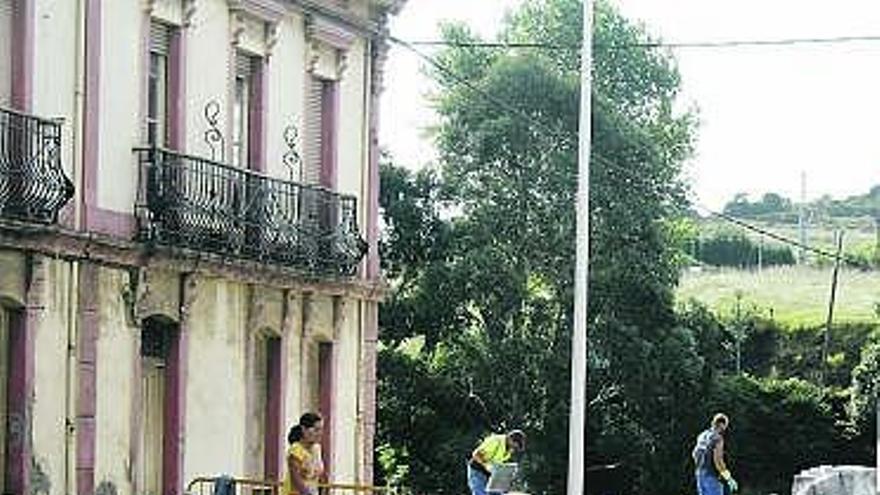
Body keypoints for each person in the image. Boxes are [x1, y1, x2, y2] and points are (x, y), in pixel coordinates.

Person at [467, 429, 526, 495]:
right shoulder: (495, 441)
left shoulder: (509, 449)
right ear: (510, 439)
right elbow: (476, 454)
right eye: (515, 444)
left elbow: (499, 463)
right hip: (477, 471)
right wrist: (486, 465)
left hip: (491, 474)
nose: (515, 447)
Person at [692, 413, 738, 495]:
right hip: (711, 476)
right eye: (725, 426)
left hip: (700, 474)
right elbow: (718, 460)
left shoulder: (702, 435)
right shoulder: (718, 438)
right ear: (721, 424)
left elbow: (694, 454)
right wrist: (728, 478)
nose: (725, 429)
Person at [284, 412, 325, 495]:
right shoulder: (296, 450)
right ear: (304, 429)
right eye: (316, 429)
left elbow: (320, 476)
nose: (320, 433)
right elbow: (296, 480)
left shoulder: (317, 449)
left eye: (321, 429)